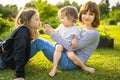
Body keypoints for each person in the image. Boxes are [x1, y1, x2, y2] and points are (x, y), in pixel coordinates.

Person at [30, 0, 100, 77]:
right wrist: (52, 30)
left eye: (91, 14)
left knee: (39, 42)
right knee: (41, 41)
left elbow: (70, 47)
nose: (87, 17)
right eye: (84, 13)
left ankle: (18, 61)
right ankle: (21, 58)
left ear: (95, 16)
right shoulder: (80, 28)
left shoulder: (93, 34)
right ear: (80, 14)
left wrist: (52, 34)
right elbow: (64, 39)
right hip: (64, 54)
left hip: (71, 62)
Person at [0, 8, 40, 80]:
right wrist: (20, 75)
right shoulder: (23, 32)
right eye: (36, 20)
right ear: (27, 21)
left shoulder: (26, 30)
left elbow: (25, 47)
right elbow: (19, 52)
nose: (39, 22)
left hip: (5, 54)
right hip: (3, 60)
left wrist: (27, 56)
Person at [45, 6, 80, 77]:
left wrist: (74, 41)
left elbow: (76, 39)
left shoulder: (75, 29)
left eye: (62, 18)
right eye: (60, 18)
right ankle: (54, 67)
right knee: (59, 47)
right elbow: (55, 31)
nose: (60, 20)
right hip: (59, 44)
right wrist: (50, 28)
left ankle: (82, 66)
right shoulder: (61, 26)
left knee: (71, 55)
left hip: (67, 47)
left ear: (71, 17)